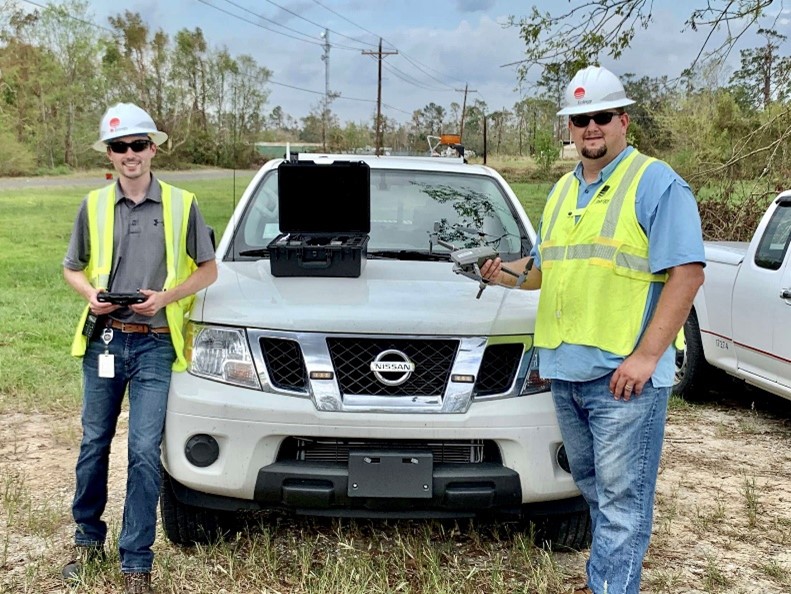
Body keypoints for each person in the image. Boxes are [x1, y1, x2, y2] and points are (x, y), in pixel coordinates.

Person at [482, 66, 705, 594]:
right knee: (599, 495)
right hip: (566, 372)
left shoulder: (655, 183)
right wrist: (502, 273)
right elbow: (545, 271)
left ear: (624, 120)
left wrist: (647, 358)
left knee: (622, 504)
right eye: (580, 119)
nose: (590, 128)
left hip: (622, 380)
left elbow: (688, 273)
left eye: (601, 116)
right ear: (570, 126)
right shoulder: (561, 192)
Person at [62, 103, 218, 594]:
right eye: (119, 147)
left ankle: (136, 562)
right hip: (105, 340)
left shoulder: (181, 203)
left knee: (144, 453)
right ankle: (87, 540)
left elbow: (208, 270)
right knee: (93, 445)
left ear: (153, 148)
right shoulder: (92, 204)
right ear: (109, 155)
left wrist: (164, 299)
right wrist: (92, 297)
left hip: (154, 345)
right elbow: (72, 266)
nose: (129, 154)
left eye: (137, 145)